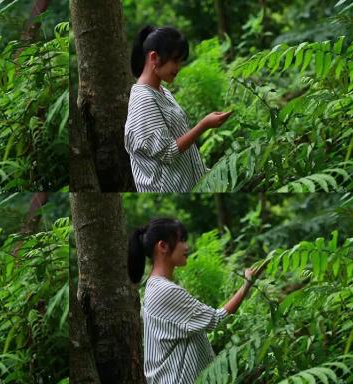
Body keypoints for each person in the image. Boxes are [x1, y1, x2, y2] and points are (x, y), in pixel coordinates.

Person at [128, 218, 263, 384]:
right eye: (182, 240)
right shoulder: (165, 291)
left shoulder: (155, 286)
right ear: (162, 246)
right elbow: (217, 319)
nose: (187, 247)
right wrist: (247, 284)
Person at [125, 26, 233, 192]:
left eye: (181, 61)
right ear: (154, 57)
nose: (179, 67)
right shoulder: (143, 100)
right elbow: (168, 152)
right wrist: (204, 125)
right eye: (175, 60)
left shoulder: (162, 91)